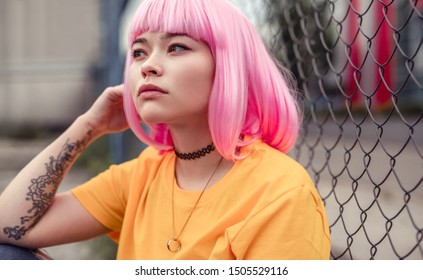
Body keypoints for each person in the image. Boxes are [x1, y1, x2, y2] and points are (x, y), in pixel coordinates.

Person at [0, 0, 330, 260]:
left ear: (228, 67)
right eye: (139, 52)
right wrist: (87, 126)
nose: (147, 66)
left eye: (176, 47)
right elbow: (7, 228)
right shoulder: (143, 175)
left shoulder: (281, 193)